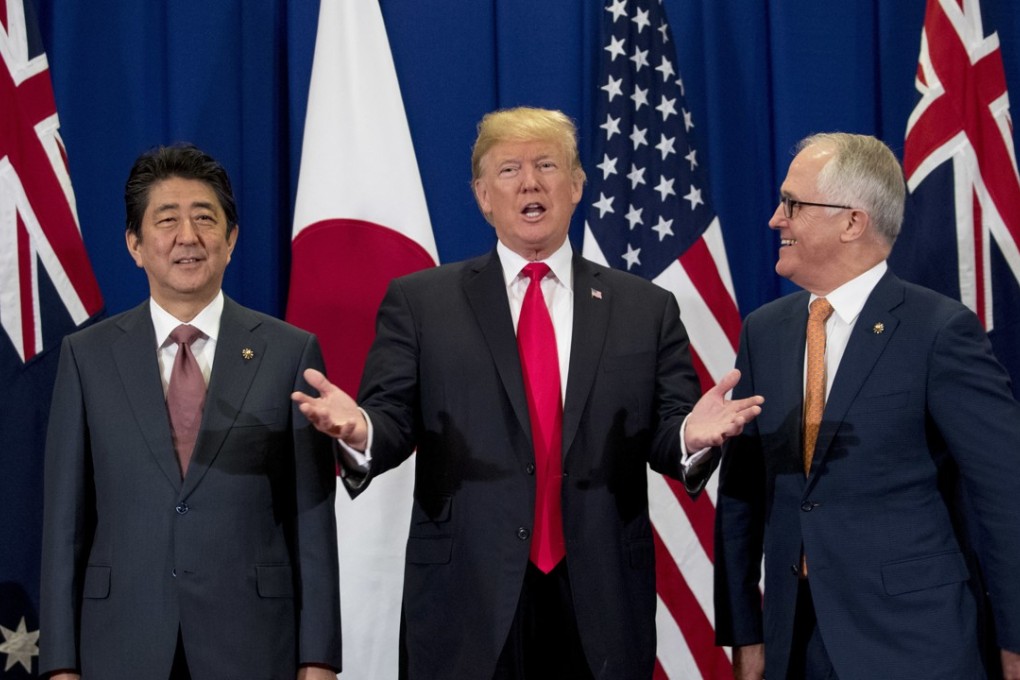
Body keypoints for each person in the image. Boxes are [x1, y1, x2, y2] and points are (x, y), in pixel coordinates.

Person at [291, 106, 762, 679]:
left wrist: (690, 434)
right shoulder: (422, 303)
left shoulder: (645, 307)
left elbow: (667, 432)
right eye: (509, 169)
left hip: (600, 597)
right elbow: (391, 419)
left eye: (547, 165)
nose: (531, 182)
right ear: (483, 195)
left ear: (577, 186)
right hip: (466, 596)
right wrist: (360, 429)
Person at [713, 132, 1020, 679]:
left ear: (852, 222)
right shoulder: (766, 332)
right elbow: (742, 494)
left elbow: (1005, 491)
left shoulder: (939, 331)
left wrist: (1017, 637)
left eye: (793, 204)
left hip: (911, 639)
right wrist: (746, 632)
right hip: (794, 639)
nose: (775, 219)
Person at [39, 144, 342, 679]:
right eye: (166, 220)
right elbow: (65, 523)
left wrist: (318, 659)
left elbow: (312, 519)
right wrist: (60, 665)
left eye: (205, 218)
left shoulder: (289, 352)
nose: (188, 236)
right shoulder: (86, 357)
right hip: (121, 643)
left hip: (252, 643)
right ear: (135, 245)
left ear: (230, 239)